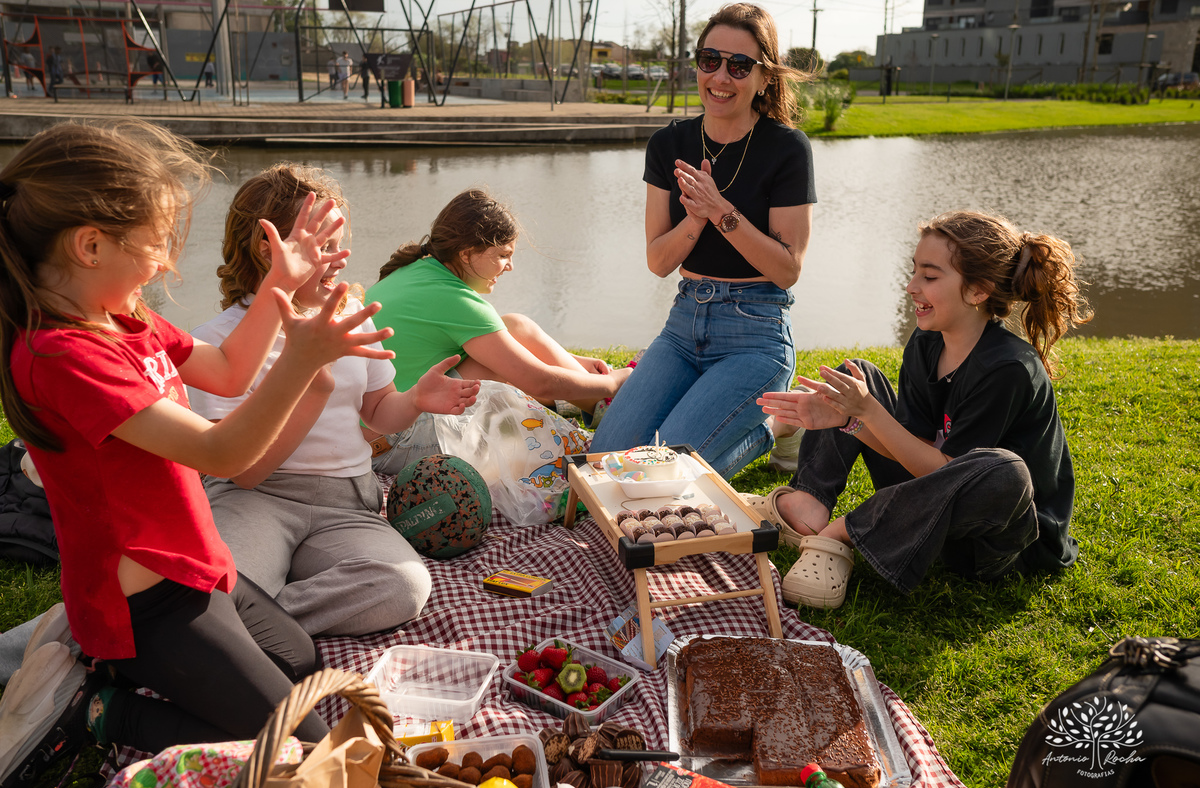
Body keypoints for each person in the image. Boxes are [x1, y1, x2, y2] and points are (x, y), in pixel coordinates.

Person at [0, 120, 390, 788]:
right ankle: (100, 708)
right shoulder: (63, 356)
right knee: (309, 754)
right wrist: (303, 359)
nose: (167, 265)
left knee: (297, 658)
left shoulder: (120, 313)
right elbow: (223, 447)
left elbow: (231, 371)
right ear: (90, 244)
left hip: (197, 563)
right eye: (156, 246)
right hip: (145, 606)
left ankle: (128, 683)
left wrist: (278, 282)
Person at [188, 164, 479, 637]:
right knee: (216, 591)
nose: (341, 258)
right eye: (324, 246)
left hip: (346, 504)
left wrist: (416, 400)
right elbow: (245, 471)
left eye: (342, 242)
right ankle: (229, 620)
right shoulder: (216, 344)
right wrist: (308, 379)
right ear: (269, 249)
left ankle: (244, 626)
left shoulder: (353, 318)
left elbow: (377, 412)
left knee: (402, 585)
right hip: (253, 500)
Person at [755, 210, 1093, 609]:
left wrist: (869, 415)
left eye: (930, 277)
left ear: (979, 291)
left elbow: (947, 476)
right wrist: (851, 420)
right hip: (930, 504)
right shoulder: (927, 342)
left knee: (1007, 471)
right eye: (914, 271)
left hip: (998, 536)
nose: (912, 286)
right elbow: (912, 449)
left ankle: (841, 535)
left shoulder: (1009, 369)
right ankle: (807, 505)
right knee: (856, 379)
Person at [589, 2, 816, 480]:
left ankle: (773, 427)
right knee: (605, 464)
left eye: (739, 66)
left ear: (764, 77)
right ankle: (761, 422)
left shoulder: (786, 148)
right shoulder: (668, 145)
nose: (721, 77)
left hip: (755, 331)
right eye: (710, 60)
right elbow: (657, 262)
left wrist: (720, 211)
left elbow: (787, 269)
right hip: (684, 322)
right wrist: (695, 219)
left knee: (668, 471)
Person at [363, 188, 631, 472]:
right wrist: (614, 381)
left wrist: (572, 361)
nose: (510, 267)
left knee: (515, 326)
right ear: (467, 254)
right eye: (503, 255)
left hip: (379, 432)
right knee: (496, 369)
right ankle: (609, 404)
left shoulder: (417, 271)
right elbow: (538, 382)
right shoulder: (454, 300)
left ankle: (597, 404)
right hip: (393, 443)